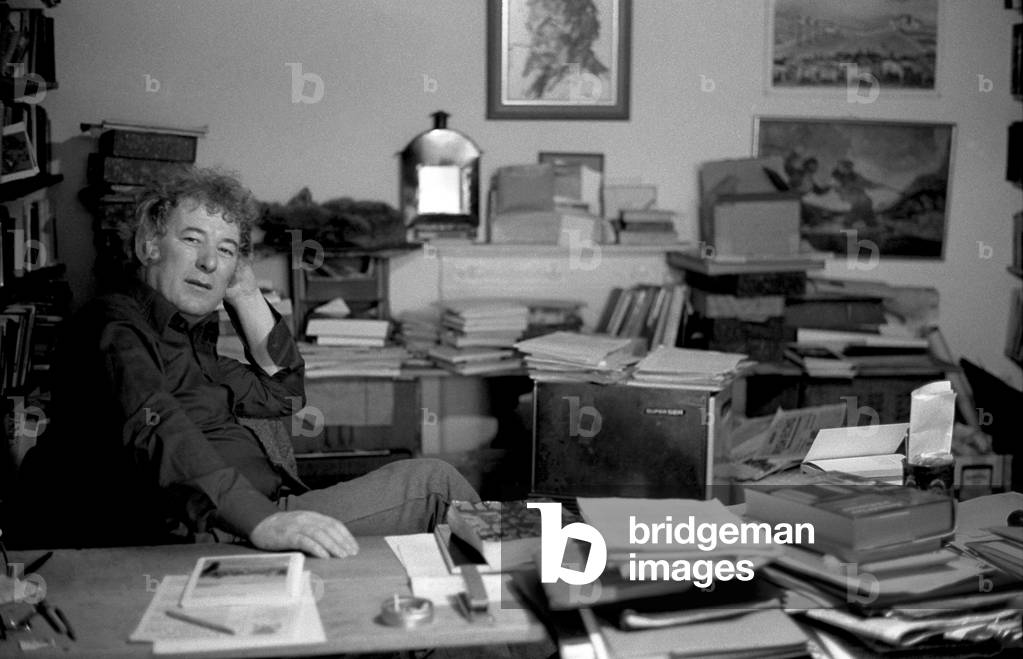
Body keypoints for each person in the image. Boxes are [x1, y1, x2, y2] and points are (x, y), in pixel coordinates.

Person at [15, 166, 479, 555]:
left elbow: (285, 391)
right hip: (207, 531)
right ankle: (539, 600)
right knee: (435, 484)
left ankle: (529, 593)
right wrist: (260, 521)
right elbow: (152, 422)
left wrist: (247, 292)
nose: (210, 263)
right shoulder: (114, 323)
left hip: (261, 512)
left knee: (441, 526)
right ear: (148, 247)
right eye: (193, 240)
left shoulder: (197, 346)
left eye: (226, 250)